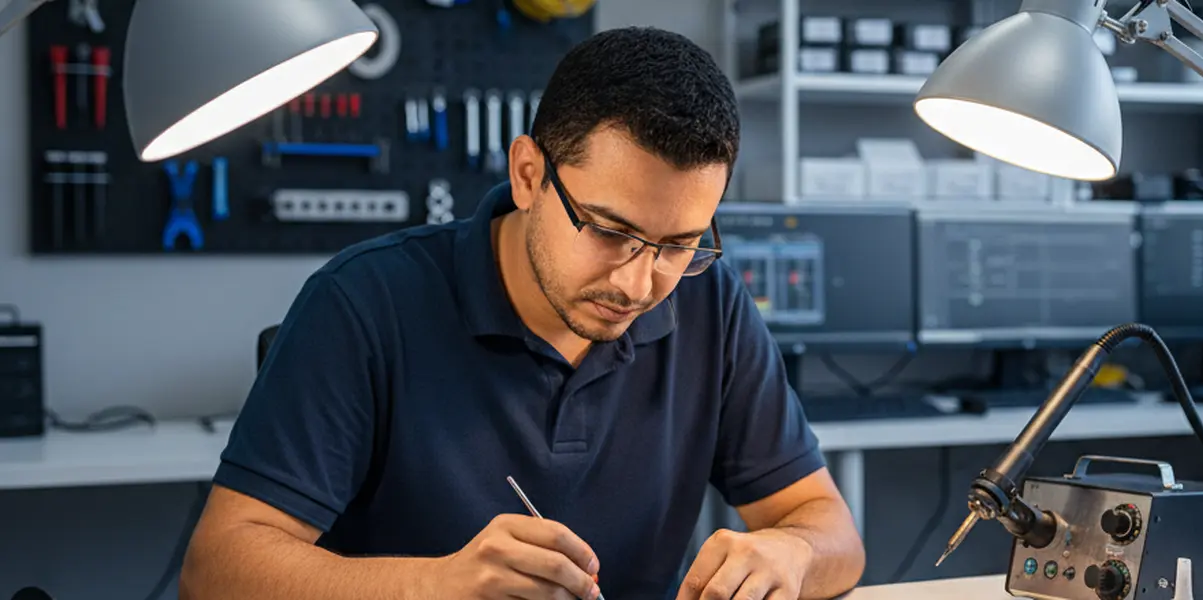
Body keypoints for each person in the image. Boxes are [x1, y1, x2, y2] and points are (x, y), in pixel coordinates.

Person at [179, 25, 865, 600]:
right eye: (610, 231)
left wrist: (793, 552)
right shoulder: (363, 303)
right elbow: (215, 570)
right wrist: (436, 586)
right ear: (528, 175)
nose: (638, 283)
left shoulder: (708, 301)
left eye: (679, 243)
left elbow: (832, 531)